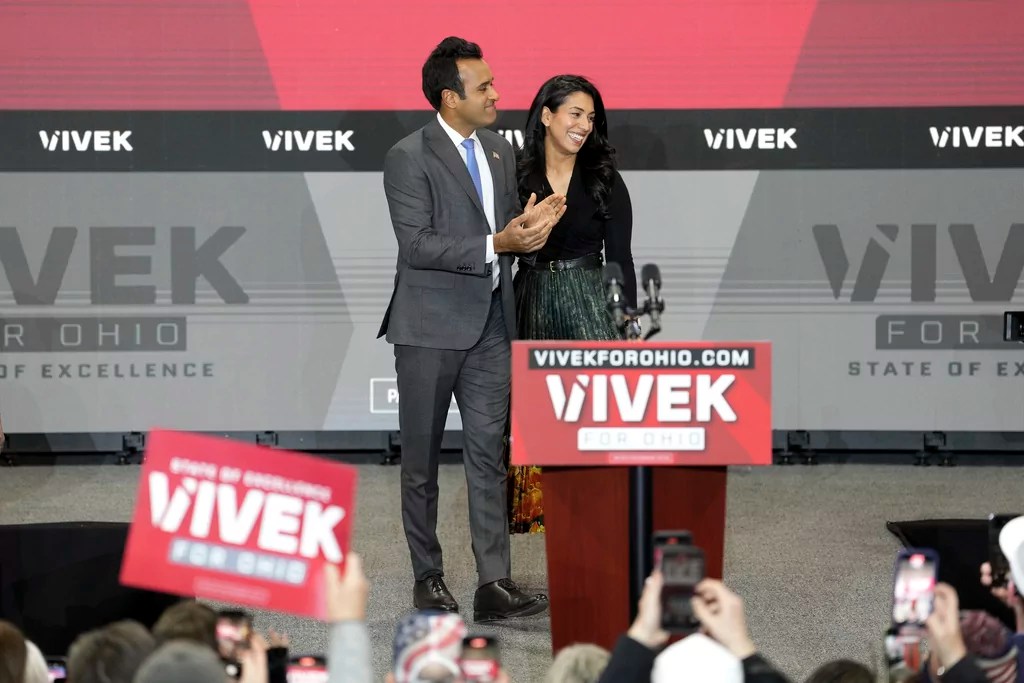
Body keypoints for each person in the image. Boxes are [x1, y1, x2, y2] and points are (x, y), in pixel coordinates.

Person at [379, 36, 565, 621]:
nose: (496, 94)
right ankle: (428, 577)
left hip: (492, 324)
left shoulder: (499, 151)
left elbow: (505, 227)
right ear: (449, 97)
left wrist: (528, 227)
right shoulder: (408, 156)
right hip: (429, 329)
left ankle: (494, 584)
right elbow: (418, 245)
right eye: (483, 87)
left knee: (489, 459)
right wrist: (497, 242)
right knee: (422, 464)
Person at [506, 74, 636, 534]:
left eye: (591, 117)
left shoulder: (603, 178)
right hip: (534, 300)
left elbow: (621, 257)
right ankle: (553, 534)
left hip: (590, 304)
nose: (584, 125)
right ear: (547, 115)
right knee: (541, 424)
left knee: (593, 420)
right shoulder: (516, 174)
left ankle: (602, 529)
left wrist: (626, 321)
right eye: (575, 114)